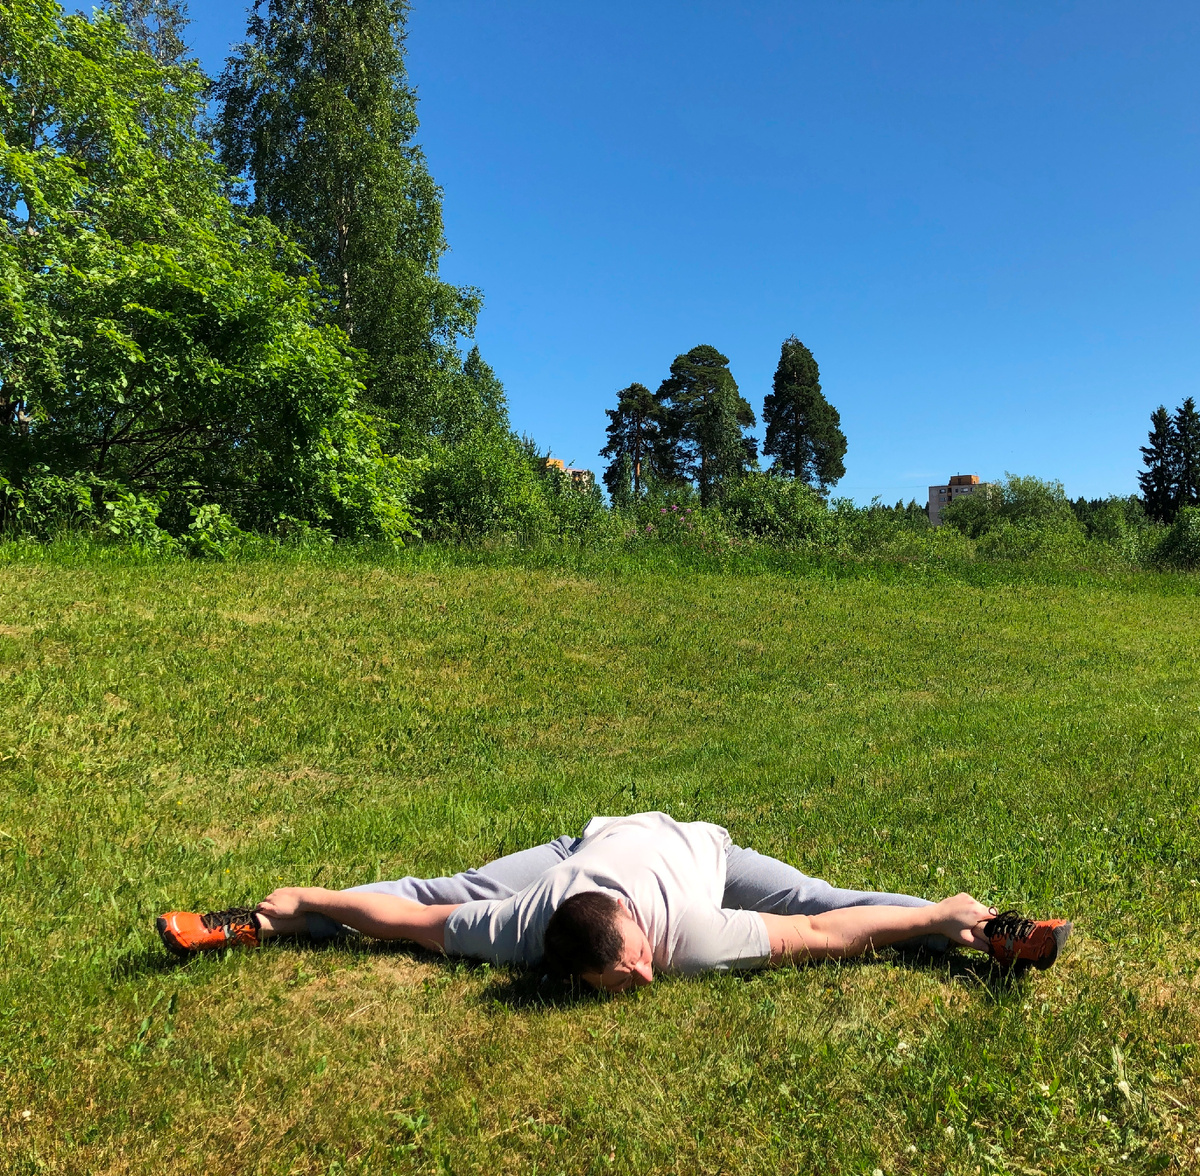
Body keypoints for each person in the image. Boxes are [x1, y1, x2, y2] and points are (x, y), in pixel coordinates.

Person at [156, 811, 1072, 989]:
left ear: (637, 934)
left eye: (634, 969)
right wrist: (308, 896)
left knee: (817, 893)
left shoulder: (690, 930)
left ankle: (977, 921)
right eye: (629, 980)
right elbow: (411, 920)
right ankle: (269, 920)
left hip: (698, 851)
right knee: (439, 894)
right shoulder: (521, 927)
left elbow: (826, 931)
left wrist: (933, 918)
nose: (642, 979)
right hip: (580, 850)